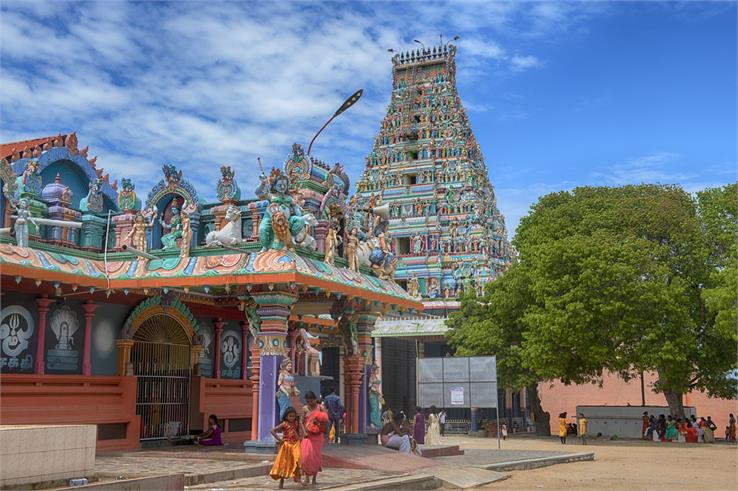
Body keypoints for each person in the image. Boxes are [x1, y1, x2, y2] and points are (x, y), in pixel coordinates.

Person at [270, 407, 303, 489]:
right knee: (284, 464)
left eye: (293, 416)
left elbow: (296, 432)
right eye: (290, 416)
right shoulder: (284, 424)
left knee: (298, 460)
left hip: (295, 444)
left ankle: (298, 479)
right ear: (286, 416)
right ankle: (281, 483)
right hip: (287, 446)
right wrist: (280, 440)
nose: (292, 418)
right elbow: (273, 431)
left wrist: (299, 438)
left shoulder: (296, 423)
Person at [301, 391, 328, 486]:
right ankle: (307, 477)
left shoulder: (320, 408)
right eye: (308, 401)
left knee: (315, 457)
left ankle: (314, 478)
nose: (310, 403)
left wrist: (319, 425)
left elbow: (325, 421)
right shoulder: (304, 408)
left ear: (315, 399)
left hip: (317, 436)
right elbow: (301, 421)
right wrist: (304, 432)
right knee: (305, 456)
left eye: (311, 401)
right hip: (307, 436)